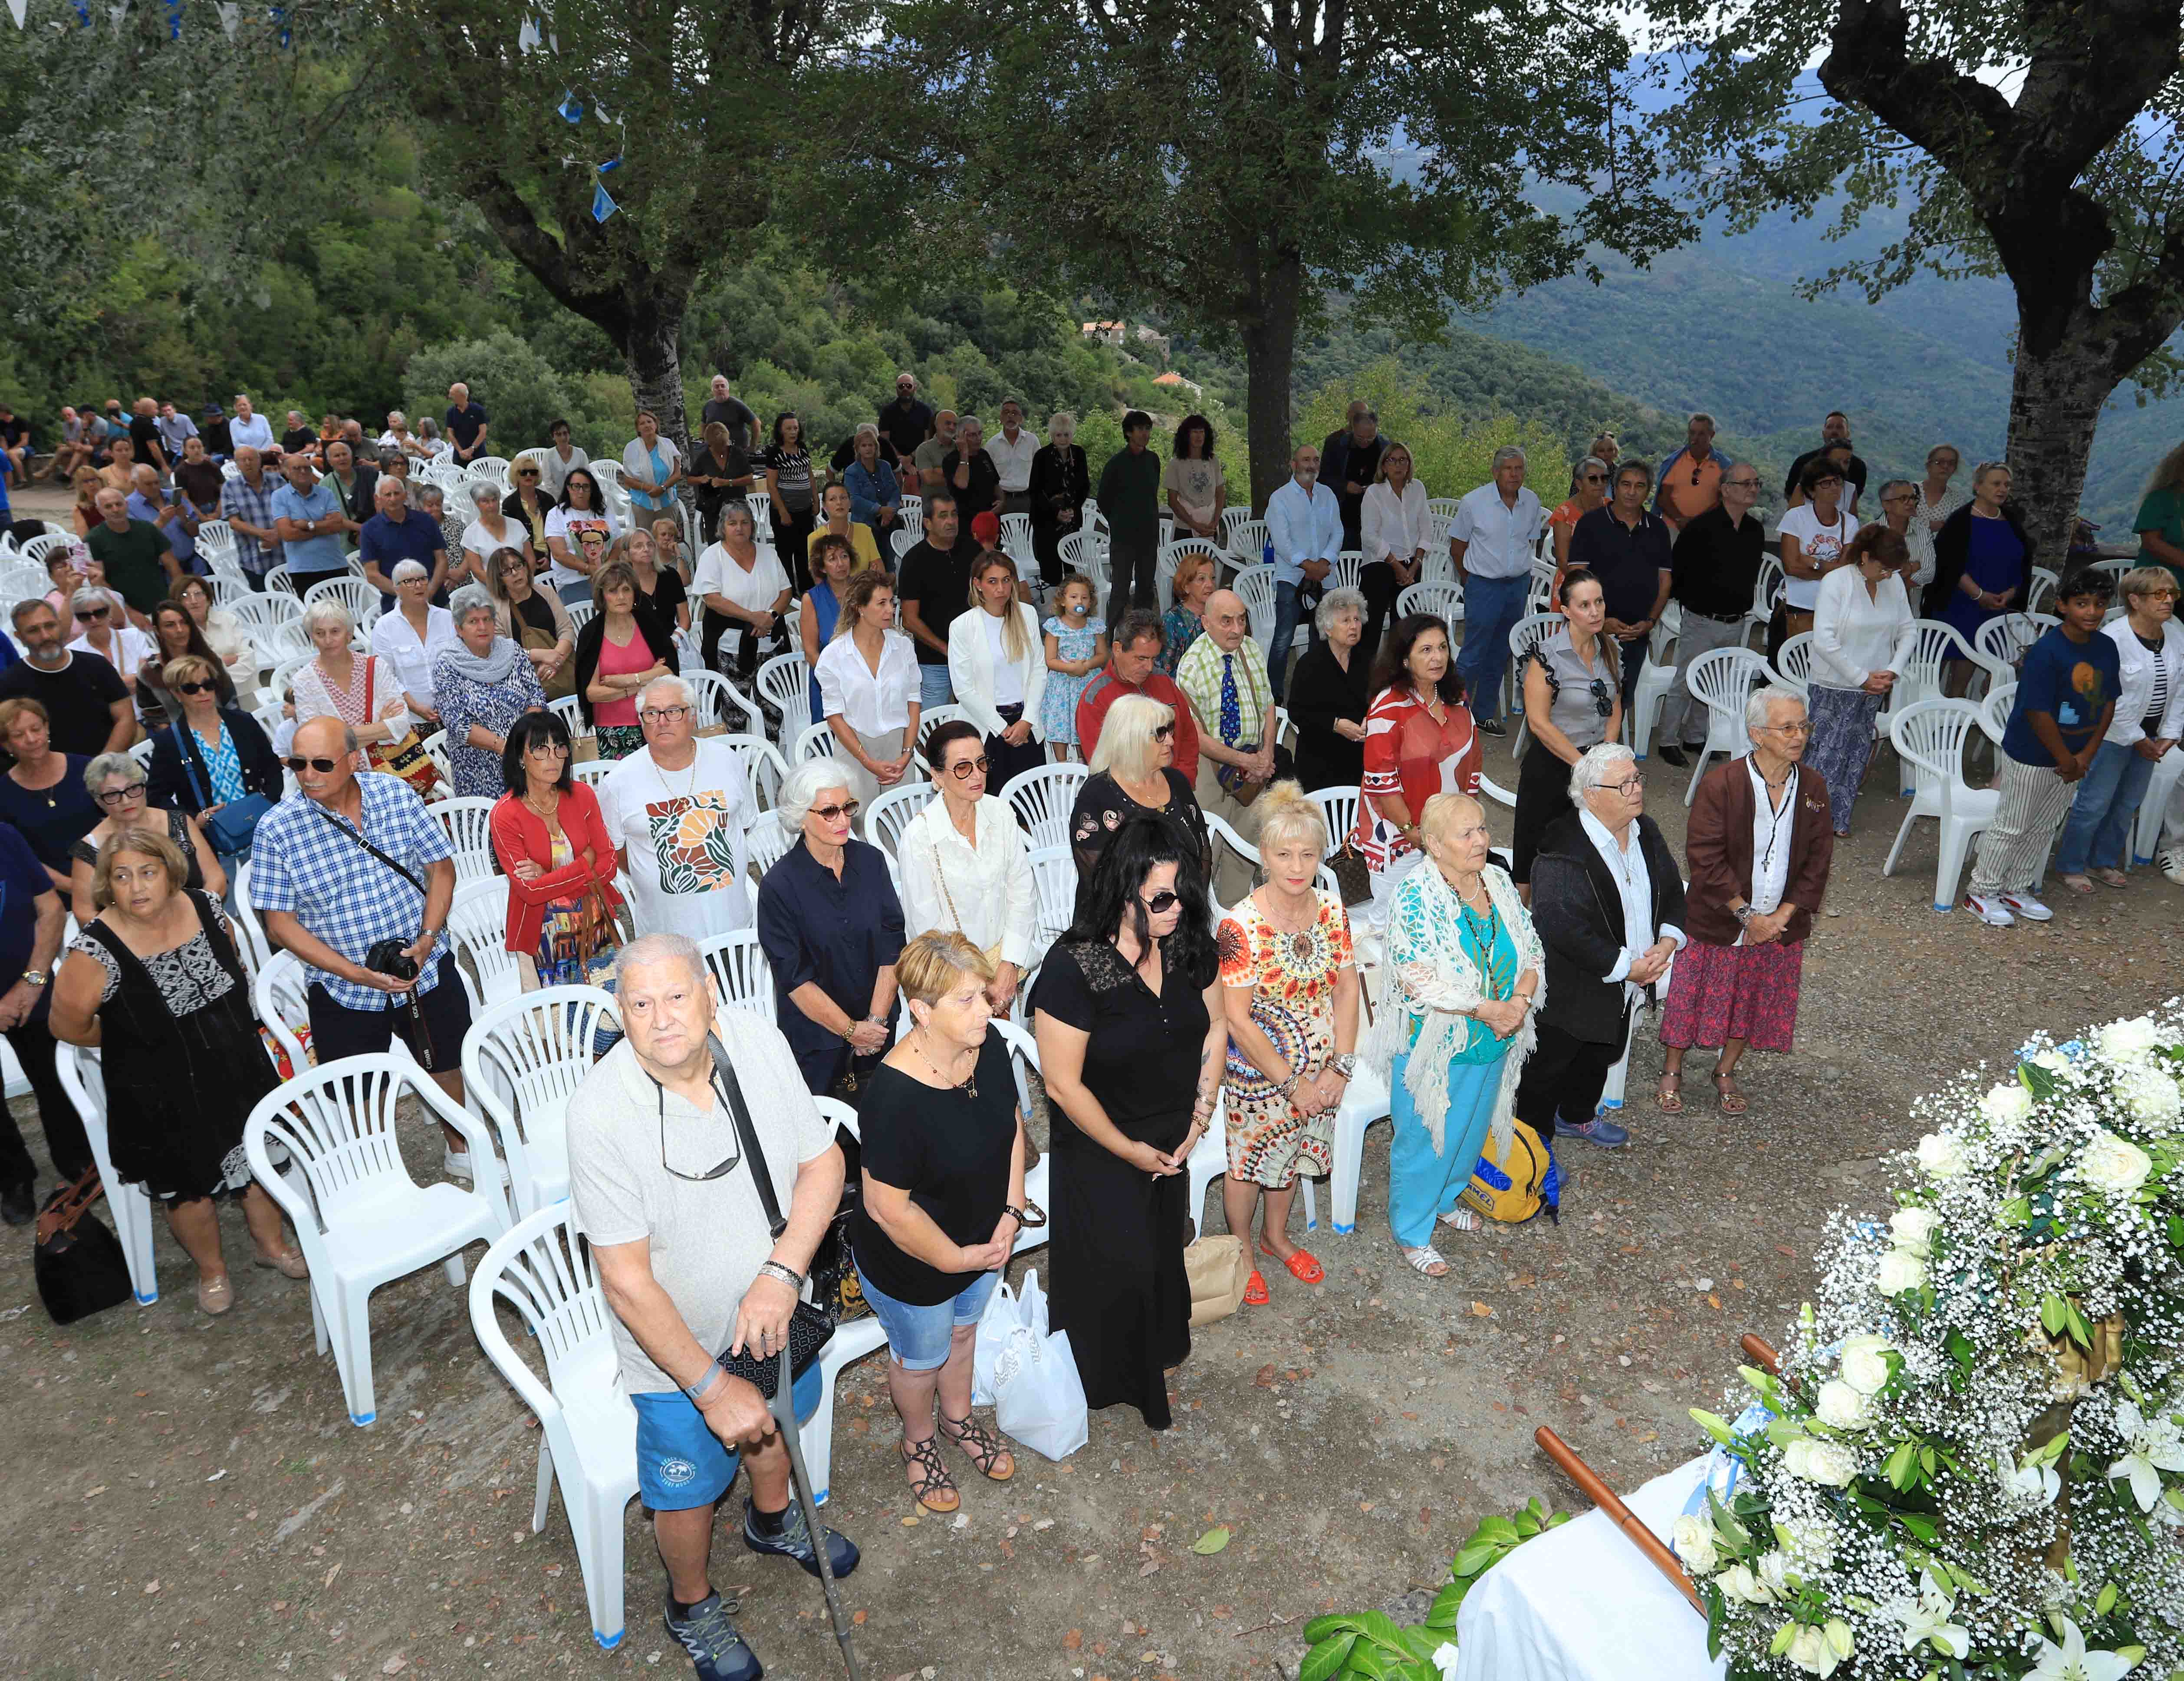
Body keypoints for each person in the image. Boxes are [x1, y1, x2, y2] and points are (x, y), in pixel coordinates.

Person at [565, 932, 857, 1681]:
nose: (661, 1018)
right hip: (677, 1355)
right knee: (689, 1492)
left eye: (675, 996)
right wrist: (708, 1385)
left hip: (777, 1310)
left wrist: (782, 1272)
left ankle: (771, 1520)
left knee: (778, 1421)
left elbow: (823, 1162)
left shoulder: (754, 1041)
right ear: (620, 1015)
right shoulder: (600, 1113)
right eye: (639, 1004)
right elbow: (626, 1282)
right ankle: (690, 1603)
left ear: (710, 996)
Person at [49, 825, 300, 1314]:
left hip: (237, 1067)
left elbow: (235, 974)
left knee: (257, 1164)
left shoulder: (207, 908)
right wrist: (130, 1038)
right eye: (122, 876)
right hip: (158, 1089)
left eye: (148, 872)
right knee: (188, 1190)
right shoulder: (95, 949)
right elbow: (67, 1025)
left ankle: (272, 1246)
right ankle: (213, 1271)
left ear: (171, 873)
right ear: (107, 886)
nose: (136, 886)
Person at [1034, 815, 1225, 1430]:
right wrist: (1127, 1149)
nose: (1177, 908)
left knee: (1160, 1253)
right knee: (1118, 1265)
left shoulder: (1189, 944)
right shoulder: (1074, 967)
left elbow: (1216, 1025)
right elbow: (1062, 1085)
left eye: (1183, 892)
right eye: (1161, 898)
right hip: (1100, 1143)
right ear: (1122, 892)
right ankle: (1109, 1379)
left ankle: (1159, 1348)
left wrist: (1200, 1115)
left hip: (1172, 1135)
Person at [852, 930, 1029, 1512]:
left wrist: (1011, 1210)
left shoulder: (989, 1044)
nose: (987, 1009)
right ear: (921, 1011)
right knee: (920, 1358)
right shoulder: (893, 1096)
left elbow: (1012, 1124)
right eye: (967, 1000)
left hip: (984, 1239)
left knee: (963, 1333)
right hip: (914, 1260)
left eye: (984, 994)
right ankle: (918, 1439)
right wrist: (955, 1258)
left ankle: (957, 1419)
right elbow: (887, 1208)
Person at [251, 716, 477, 1165]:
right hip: (343, 986)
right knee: (359, 1090)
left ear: (354, 760)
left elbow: (441, 868)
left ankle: (460, 1148)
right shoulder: (277, 829)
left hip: (422, 967)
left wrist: (427, 939)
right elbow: (279, 924)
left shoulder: (394, 794)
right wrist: (354, 972)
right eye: (298, 763)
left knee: (446, 1061)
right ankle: (380, 1168)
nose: (308, 774)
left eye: (321, 763)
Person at [1365, 790, 1542, 1276]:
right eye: (1466, 833)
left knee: (1468, 1131)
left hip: (1496, 1036)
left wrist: (1520, 1001)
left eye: (1482, 828)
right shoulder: (1415, 894)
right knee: (1426, 1139)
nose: (1480, 840)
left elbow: (1531, 947)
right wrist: (1487, 1009)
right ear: (1435, 845)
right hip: (1438, 1045)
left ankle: (1446, 1198)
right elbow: (1416, 975)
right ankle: (1412, 1230)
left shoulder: (1497, 881)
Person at [1658, 687, 1833, 1118]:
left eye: (1803, 726)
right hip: (1721, 916)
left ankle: (1725, 1070)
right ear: (1757, 733)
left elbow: (1818, 858)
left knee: (1752, 997)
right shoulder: (1723, 784)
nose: (1799, 736)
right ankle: (1672, 1069)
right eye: (1786, 727)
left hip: (1779, 921)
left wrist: (1780, 918)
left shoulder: (1812, 786)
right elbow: (1704, 856)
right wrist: (1747, 916)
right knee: (1693, 995)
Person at [1214, 783, 1357, 1303]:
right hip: (1260, 1070)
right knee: (1249, 1162)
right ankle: (1242, 1248)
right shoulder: (1238, 925)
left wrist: (1340, 1067)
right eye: (1283, 854)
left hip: (1321, 1064)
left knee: (1293, 1152)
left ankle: (1275, 1236)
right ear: (1264, 854)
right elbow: (1237, 1019)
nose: (1296, 866)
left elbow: (1347, 989)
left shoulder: (1332, 909)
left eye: (1308, 854)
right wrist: (1292, 1083)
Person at [1513, 742, 1686, 1150]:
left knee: (1600, 1053)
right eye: (1624, 784)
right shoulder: (1561, 850)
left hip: (1626, 980)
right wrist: (1626, 967)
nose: (1637, 789)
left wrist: (1667, 942)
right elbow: (1563, 927)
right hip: (1572, 988)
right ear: (1591, 796)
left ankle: (1577, 1116)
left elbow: (1671, 890)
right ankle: (1531, 1148)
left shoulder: (1646, 831)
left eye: (1637, 779)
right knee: (1547, 1069)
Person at [1964, 571, 2122, 926]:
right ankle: (1982, 891)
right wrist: (2065, 759)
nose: (2092, 612)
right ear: (2063, 606)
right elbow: (2038, 712)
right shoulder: (2047, 652)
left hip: (2077, 757)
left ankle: (2016, 887)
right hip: (2033, 754)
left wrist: (2086, 756)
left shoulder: (2106, 648)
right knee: (2013, 825)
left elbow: (2109, 702)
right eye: (2082, 604)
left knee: (2044, 826)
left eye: (2099, 604)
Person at [756, 758, 907, 1096]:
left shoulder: (871, 862)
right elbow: (794, 979)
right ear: (801, 817)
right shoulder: (779, 887)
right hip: (818, 1041)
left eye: (848, 807)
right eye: (829, 812)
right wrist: (852, 1031)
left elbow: (893, 945)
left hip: (881, 1027)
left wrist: (876, 1022)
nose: (843, 820)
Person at [2055, 567, 2184, 890]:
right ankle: (2072, 864)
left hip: (2151, 737)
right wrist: (2138, 738)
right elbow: (2107, 698)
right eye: (2159, 594)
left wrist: (2170, 734)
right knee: (2094, 802)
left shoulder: (2176, 636)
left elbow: (2181, 689)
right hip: (2110, 735)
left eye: (2172, 594)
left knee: (2128, 803)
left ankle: (2103, 861)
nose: (2168, 600)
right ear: (2135, 600)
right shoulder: (2112, 639)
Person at [599, 675, 755, 942]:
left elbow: (744, 824)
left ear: (693, 716)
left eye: (673, 711)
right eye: (652, 713)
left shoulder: (727, 760)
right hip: (664, 940)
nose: (662, 721)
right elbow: (618, 851)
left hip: (734, 929)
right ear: (641, 721)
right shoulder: (617, 782)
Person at [897, 722, 1036, 1013]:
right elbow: (927, 931)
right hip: (950, 973)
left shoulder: (1001, 812)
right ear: (937, 775)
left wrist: (1009, 965)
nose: (977, 775)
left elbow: (1022, 890)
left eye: (981, 763)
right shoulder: (919, 837)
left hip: (1004, 957)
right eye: (963, 767)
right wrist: (976, 986)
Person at [1353, 613, 1483, 916]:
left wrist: (1463, 824)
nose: (1437, 657)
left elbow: (1474, 761)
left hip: (1450, 832)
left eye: (1442, 648)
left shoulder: (1456, 698)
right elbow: (1381, 781)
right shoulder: (1388, 706)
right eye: (1426, 650)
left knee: (1447, 916)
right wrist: (1414, 833)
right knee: (1394, 920)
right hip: (1400, 838)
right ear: (1405, 659)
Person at [488, 710, 626, 990]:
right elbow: (531, 892)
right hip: (541, 931)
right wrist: (584, 862)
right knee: (555, 1013)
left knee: (609, 1004)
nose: (553, 758)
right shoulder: (504, 815)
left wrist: (548, 876)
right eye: (541, 749)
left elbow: (609, 864)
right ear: (520, 757)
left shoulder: (582, 795)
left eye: (559, 747)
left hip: (593, 919)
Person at [1807, 524, 1916, 837]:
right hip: (1833, 684)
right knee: (1825, 755)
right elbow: (1824, 641)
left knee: (1855, 755)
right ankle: (1808, 823)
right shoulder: (1837, 582)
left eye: (1892, 570)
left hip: (1875, 684)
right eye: (1883, 568)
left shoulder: (1893, 582)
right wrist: (1860, 678)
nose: (1888, 575)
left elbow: (1908, 630)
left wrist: (1892, 670)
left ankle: (1838, 820)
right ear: (1865, 557)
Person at [1656, 462, 1767, 768]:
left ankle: (1695, 736)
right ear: (1726, 489)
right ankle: (1667, 740)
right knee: (1685, 680)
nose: (1753, 489)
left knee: (1714, 682)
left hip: (1736, 620)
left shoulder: (1754, 530)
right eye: (1746, 484)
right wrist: (1697, 602)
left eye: (1756, 483)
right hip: (1702, 619)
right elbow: (1679, 571)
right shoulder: (1701, 528)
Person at [1513, 571, 1621, 887]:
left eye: (1599, 602)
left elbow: (1615, 705)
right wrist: (1583, 766)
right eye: (1584, 605)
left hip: (1596, 764)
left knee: (1588, 857)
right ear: (1566, 611)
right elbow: (1538, 722)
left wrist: (1606, 756)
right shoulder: (1546, 655)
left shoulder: (1611, 649)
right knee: (1531, 859)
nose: (1595, 612)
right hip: (1552, 765)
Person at [1176, 588, 1280, 905]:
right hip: (1211, 769)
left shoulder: (1251, 649)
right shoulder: (1191, 665)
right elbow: (1196, 737)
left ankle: (1233, 916)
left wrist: (1266, 755)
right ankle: (1199, 921)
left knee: (1246, 849)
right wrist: (1246, 762)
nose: (1236, 629)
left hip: (1253, 763)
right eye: (1226, 621)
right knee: (1206, 851)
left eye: (1241, 620)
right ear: (1206, 622)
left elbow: (1269, 705)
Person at [0, 814, 74, 1226]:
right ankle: (13, 1176)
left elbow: (51, 910)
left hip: (32, 980)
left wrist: (31, 983)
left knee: (56, 1078)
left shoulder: (5, 837)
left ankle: (76, 1158)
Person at [1449, 446, 1547, 735]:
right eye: (1508, 469)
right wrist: (1469, 580)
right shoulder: (1474, 502)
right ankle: (1455, 716)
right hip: (1484, 585)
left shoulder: (1532, 502)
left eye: (1519, 469)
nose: (1514, 475)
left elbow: (1529, 542)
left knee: (1500, 653)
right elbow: (1457, 547)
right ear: (1495, 472)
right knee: (1473, 653)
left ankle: (1483, 714)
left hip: (1517, 586)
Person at [1069, 692, 1213, 888]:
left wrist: (1191, 901)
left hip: (1186, 902)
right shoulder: (1097, 794)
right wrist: (1162, 905)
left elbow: (1203, 851)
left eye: (1170, 730)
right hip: (1124, 908)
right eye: (1160, 733)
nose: (1171, 741)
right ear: (1131, 739)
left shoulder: (1176, 781)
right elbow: (1100, 884)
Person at [1565, 460, 1671, 718]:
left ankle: (1610, 744)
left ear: (1649, 491)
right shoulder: (1591, 524)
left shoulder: (1658, 529)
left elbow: (1665, 581)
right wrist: (1601, 622)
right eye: (1626, 484)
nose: (1632, 492)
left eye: (1640, 486)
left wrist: (1650, 622)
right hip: (1593, 631)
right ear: (1615, 487)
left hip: (1636, 633)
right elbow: (1576, 578)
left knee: (1621, 700)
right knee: (1584, 700)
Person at [70, 746, 224, 923]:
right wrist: (136, 930)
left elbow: (216, 878)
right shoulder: (89, 848)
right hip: (132, 934)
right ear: (99, 801)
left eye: (133, 789)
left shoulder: (181, 823)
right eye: (112, 795)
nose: (126, 801)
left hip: (197, 919)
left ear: (144, 788)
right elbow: (84, 912)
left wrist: (193, 914)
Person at [141, 653, 280, 843]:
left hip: (262, 825)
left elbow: (272, 768)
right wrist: (192, 819)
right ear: (176, 694)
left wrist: (267, 804)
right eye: (191, 688)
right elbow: (156, 797)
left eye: (208, 684)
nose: (202, 692)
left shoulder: (243, 723)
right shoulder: (170, 741)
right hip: (213, 839)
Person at [431, 584, 549, 799]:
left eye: (487, 619)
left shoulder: (513, 652)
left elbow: (537, 696)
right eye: (473, 621)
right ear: (459, 629)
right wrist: (505, 748)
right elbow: (458, 725)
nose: (482, 627)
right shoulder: (447, 666)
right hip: (478, 768)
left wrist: (524, 738)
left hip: (526, 754)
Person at [815, 570, 921, 808]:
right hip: (854, 749)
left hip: (898, 747)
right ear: (860, 608)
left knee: (900, 821)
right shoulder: (834, 655)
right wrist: (867, 761)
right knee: (856, 822)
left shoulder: (903, 647)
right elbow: (834, 716)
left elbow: (914, 701)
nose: (890, 610)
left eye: (891, 602)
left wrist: (907, 753)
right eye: (881, 603)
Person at [949, 550, 1049, 791]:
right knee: (989, 804)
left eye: (1006, 580)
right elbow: (963, 689)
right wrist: (1002, 728)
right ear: (978, 584)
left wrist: (1027, 720)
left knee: (1032, 803)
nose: (1001, 589)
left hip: (1026, 725)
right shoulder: (962, 626)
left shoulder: (1028, 614)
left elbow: (1039, 670)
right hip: (985, 728)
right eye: (992, 582)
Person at [1928, 464, 2033, 677]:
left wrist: (2011, 594)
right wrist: (1978, 594)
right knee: (1934, 670)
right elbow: (1949, 563)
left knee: (1964, 676)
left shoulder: (2012, 522)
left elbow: (2023, 563)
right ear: (1977, 486)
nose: (2002, 489)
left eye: (2007, 485)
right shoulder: (1960, 521)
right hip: (1958, 604)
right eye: (1996, 484)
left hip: (1996, 607)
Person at [1075, 608, 1201, 781]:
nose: (1149, 668)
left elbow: (1188, 735)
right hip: (1129, 793)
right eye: (1141, 659)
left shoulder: (1163, 680)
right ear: (1118, 649)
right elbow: (1103, 765)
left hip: (1177, 784)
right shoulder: (1095, 699)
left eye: (1154, 659)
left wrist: (1182, 781)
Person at [0, 602, 134, 759]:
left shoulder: (97, 665)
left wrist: (101, 765)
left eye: (50, 626)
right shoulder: (8, 683)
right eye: (33, 631)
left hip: (109, 763)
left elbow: (125, 719)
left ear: (61, 625)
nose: (45, 636)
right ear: (20, 638)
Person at [291, 599, 409, 775]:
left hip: (393, 770)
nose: (328, 640)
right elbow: (317, 742)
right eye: (320, 633)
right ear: (312, 638)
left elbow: (402, 723)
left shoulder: (376, 667)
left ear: (349, 634)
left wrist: (340, 738)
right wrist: (380, 727)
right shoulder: (304, 681)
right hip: (341, 778)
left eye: (335, 632)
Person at [575, 561, 678, 762]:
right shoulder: (591, 633)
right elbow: (592, 693)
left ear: (634, 593)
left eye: (626, 590)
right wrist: (641, 684)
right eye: (613, 591)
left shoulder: (649, 624)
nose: (621, 597)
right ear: (602, 596)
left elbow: (670, 670)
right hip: (612, 731)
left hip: (657, 721)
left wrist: (625, 680)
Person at [1264, 441, 1343, 703]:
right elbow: (1282, 542)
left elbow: (1338, 532)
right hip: (1291, 578)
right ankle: (1274, 698)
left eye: (1316, 460)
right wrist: (1310, 566)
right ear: (1294, 465)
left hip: (1325, 578)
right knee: (1283, 640)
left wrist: (1324, 563)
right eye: (1306, 460)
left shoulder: (1328, 495)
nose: (1312, 465)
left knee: (1322, 637)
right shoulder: (1280, 499)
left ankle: (1314, 692)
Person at [0, 699, 102, 890]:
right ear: (7, 745)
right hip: (50, 890)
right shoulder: (3, 794)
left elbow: (117, 824)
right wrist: (73, 887)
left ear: (47, 728)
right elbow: (20, 856)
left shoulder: (88, 769)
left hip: (108, 874)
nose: (32, 739)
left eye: (36, 729)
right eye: (19, 735)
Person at [895, 491, 982, 711]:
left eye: (954, 514)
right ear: (928, 523)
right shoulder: (914, 561)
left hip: (976, 655)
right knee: (934, 724)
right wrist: (947, 649)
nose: (951, 521)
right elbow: (910, 620)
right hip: (934, 662)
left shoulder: (973, 550)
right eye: (943, 516)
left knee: (981, 718)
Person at [692, 501, 792, 682]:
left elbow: (786, 591)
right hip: (729, 646)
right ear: (723, 527)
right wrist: (753, 617)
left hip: (771, 641)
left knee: (776, 698)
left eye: (745, 522)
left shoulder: (769, 553)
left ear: (752, 526)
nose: (739, 528)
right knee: (733, 700)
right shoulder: (712, 556)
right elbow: (712, 599)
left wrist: (770, 616)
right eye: (733, 523)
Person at [1286, 587, 1371, 792]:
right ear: (1328, 629)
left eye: (1357, 620)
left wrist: (1370, 718)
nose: (1354, 626)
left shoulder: (1367, 661)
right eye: (1346, 621)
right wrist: (1336, 725)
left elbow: (1379, 699)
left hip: (1360, 759)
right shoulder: (1309, 665)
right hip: (1320, 761)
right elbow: (1297, 712)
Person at [1776, 458, 1858, 653]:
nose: (1834, 487)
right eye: (1826, 483)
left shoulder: (1850, 522)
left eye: (1837, 481)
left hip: (1833, 608)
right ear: (1812, 491)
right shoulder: (1796, 517)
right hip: (1796, 606)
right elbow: (1791, 567)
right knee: (1787, 663)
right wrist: (1831, 570)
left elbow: (1847, 570)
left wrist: (1814, 563)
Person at [1359, 441, 1429, 664]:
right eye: (1392, 460)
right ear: (1384, 466)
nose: (1398, 465)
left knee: (1405, 631)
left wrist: (1415, 566)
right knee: (1371, 630)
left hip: (1412, 566)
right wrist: (1396, 566)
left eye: (1403, 460)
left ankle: (1399, 676)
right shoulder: (1374, 493)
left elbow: (1427, 530)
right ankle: (1365, 679)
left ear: (1409, 464)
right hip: (1380, 566)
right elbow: (1369, 536)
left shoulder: (1417, 489)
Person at [1096, 411, 1164, 638]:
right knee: (1120, 589)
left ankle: (1142, 635)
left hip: (1148, 535)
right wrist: (1120, 521)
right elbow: (1103, 500)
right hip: (1124, 537)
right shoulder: (1116, 464)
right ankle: (1109, 637)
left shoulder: (1153, 460)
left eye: (1147, 429)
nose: (1145, 434)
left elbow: (1151, 494)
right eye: (1140, 429)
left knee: (1145, 588)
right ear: (1129, 433)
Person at [370, 561, 459, 729]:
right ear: (397, 589)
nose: (418, 586)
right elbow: (385, 676)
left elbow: (462, 661)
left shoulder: (447, 618)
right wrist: (414, 707)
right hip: (410, 718)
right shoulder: (385, 627)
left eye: (422, 579)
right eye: (409, 581)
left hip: (455, 710)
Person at [485, 545, 577, 702]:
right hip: (528, 684)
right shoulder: (496, 610)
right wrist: (545, 656)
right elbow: (503, 652)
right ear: (498, 578)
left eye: (518, 566)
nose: (515, 573)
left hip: (565, 671)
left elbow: (566, 630)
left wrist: (556, 661)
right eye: (506, 571)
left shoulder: (546, 592)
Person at [86, 486, 179, 623]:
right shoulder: (93, 539)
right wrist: (128, 611)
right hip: (124, 613)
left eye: (119, 504)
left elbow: (172, 565)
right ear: (99, 510)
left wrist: (177, 599)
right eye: (108, 507)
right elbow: (100, 583)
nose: (115, 510)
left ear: (127, 505)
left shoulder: (147, 529)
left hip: (162, 604)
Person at [1040, 575, 1107, 762]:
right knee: (1060, 721)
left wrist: (1086, 665)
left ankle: (1083, 759)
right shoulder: (1055, 627)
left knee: (1084, 721)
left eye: (1085, 598)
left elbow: (1103, 655)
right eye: (1074, 597)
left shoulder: (1095, 626)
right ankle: (1061, 763)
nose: (1080, 602)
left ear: (1091, 602)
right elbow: (1050, 660)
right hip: (1062, 685)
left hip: (1088, 683)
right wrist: (1070, 668)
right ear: (1063, 600)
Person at [359, 474, 449, 606]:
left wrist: (429, 592)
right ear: (378, 499)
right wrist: (406, 595)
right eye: (388, 495)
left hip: (436, 599)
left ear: (405, 495)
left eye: (397, 493)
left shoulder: (426, 521)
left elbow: (442, 560)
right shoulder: (369, 530)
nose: (393, 498)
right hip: (396, 604)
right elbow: (372, 575)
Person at [269, 454, 351, 592]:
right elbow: (287, 534)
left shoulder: (326, 493)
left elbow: (337, 525)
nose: (303, 472)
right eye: (297, 468)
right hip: (303, 569)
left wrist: (308, 526)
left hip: (336, 564)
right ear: (287, 473)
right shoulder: (279, 496)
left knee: (344, 605)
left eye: (307, 468)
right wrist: (325, 527)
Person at [69, 587, 158, 712]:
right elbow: (84, 696)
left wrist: (103, 687)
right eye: (85, 616)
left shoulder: (133, 636)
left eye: (100, 613)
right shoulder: (72, 652)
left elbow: (150, 678)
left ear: (110, 612)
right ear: (78, 619)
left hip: (146, 715)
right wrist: (132, 680)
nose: (94, 620)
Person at [799, 532, 858, 725]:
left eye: (844, 556)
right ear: (822, 567)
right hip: (828, 682)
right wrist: (838, 679)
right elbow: (811, 653)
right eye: (832, 559)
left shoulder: (864, 592)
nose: (841, 564)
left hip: (864, 679)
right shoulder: (812, 599)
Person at [1028, 412, 1090, 589]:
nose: (1063, 439)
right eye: (1059, 435)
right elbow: (1035, 491)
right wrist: (1056, 513)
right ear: (1052, 435)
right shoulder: (1041, 456)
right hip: (1046, 521)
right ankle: (1052, 605)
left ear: (1072, 435)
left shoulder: (1079, 454)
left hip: (1071, 520)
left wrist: (1073, 509)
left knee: (1072, 572)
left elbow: (1084, 486)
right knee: (1051, 575)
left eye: (1067, 435)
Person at [1320, 401, 1387, 554]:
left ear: (1377, 430)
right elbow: (1323, 479)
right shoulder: (1337, 445)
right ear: (1352, 428)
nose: (1365, 442)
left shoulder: (1385, 447)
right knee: (1347, 559)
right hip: (1344, 515)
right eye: (1360, 438)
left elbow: (1394, 481)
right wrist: (1345, 486)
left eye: (1370, 438)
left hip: (1377, 517)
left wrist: (1377, 488)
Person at [545, 467, 619, 602]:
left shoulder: (605, 512)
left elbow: (618, 544)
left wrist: (605, 569)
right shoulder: (556, 514)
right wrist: (589, 569)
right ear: (568, 488)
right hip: (573, 583)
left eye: (586, 487)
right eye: (576, 486)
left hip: (607, 578)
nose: (581, 491)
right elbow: (559, 554)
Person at [761, 413, 815, 593]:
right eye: (789, 429)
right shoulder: (774, 453)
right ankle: (788, 593)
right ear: (780, 431)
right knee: (785, 553)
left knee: (804, 552)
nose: (793, 432)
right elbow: (771, 486)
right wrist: (783, 512)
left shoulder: (803, 448)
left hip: (805, 510)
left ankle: (807, 591)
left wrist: (815, 501)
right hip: (784, 512)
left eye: (796, 428)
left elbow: (810, 475)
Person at [1652, 412, 1731, 534]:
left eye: (1702, 434)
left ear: (1712, 435)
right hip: (1672, 530)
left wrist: (1698, 522)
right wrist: (1681, 520)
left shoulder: (1724, 466)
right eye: (1692, 433)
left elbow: (1725, 500)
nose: (1695, 438)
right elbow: (1663, 497)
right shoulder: (1673, 462)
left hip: (1708, 532)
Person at [171, 575, 254, 685]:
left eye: (198, 594)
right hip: (204, 692)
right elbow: (188, 673)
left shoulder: (228, 620)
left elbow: (249, 661)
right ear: (178, 602)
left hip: (245, 688)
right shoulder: (178, 631)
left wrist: (209, 671)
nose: (194, 601)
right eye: (185, 596)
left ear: (208, 599)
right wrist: (224, 662)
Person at [1904, 446, 1967, 593]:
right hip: (1903, 561)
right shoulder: (1910, 492)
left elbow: (1954, 535)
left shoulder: (1957, 500)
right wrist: (1930, 526)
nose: (1945, 467)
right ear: (1929, 465)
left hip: (1936, 567)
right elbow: (1896, 522)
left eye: (1951, 463)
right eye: (1940, 462)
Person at [217, 446, 283, 582]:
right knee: (261, 593)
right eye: (243, 460)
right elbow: (234, 522)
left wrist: (278, 534)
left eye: (251, 459)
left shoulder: (277, 481)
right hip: (252, 556)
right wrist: (264, 534)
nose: (248, 463)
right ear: (237, 465)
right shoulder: (230, 487)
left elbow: (290, 512)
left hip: (282, 552)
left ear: (259, 461)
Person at [1782, 412, 1868, 514]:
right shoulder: (1803, 462)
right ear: (1823, 433)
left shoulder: (1859, 468)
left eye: (1839, 427)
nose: (1834, 431)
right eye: (1830, 427)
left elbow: (1853, 502)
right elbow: (1790, 494)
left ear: (1848, 433)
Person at [457, 482, 537, 592]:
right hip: (494, 591)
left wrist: (524, 582)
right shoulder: (470, 534)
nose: (491, 505)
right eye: (485, 501)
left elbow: (531, 559)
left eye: (494, 500)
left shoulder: (516, 524)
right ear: (477, 504)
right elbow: (478, 572)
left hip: (524, 586)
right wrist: (505, 588)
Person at [687, 421, 753, 545]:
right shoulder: (704, 457)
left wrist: (728, 482)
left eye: (724, 445)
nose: (721, 449)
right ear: (709, 444)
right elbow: (690, 479)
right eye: (716, 447)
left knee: (740, 541)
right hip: (713, 510)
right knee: (716, 545)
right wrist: (701, 479)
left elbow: (750, 479)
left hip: (737, 506)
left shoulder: (737, 453)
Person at [1163, 413, 1225, 544]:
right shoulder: (1176, 464)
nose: (1199, 436)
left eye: (1202, 432)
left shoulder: (1213, 461)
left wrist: (1215, 523)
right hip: (1185, 529)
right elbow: (1173, 501)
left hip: (1210, 526)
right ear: (1186, 436)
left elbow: (1220, 494)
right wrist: (1195, 525)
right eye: (1195, 432)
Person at [127, 464, 197, 578]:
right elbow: (138, 543)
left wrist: (184, 518)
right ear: (134, 484)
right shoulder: (128, 506)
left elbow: (195, 533)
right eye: (148, 484)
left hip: (194, 562)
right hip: (162, 572)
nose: (155, 487)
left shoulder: (173, 496)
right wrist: (160, 522)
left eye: (157, 482)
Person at [1549, 457, 1610, 580]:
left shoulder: (1612, 507)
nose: (1600, 483)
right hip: (1575, 582)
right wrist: (1588, 585)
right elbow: (1563, 562)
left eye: (1604, 478)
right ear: (1579, 484)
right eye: (1593, 479)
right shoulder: (1564, 514)